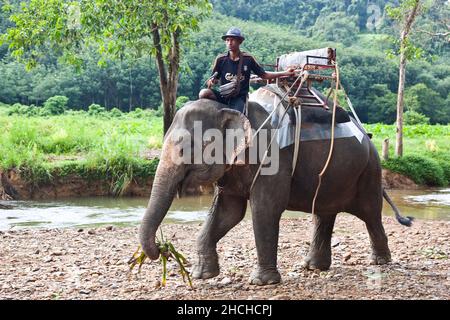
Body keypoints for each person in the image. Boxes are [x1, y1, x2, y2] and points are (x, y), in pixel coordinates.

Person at [199, 27, 295, 113]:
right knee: (203, 93)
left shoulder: (248, 59)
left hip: (239, 98)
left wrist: (285, 73)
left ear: (239, 42)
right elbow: (215, 78)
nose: (229, 42)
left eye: (232, 40)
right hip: (223, 95)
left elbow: (264, 75)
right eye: (227, 40)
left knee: (235, 118)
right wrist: (212, 81)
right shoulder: (220, 59)